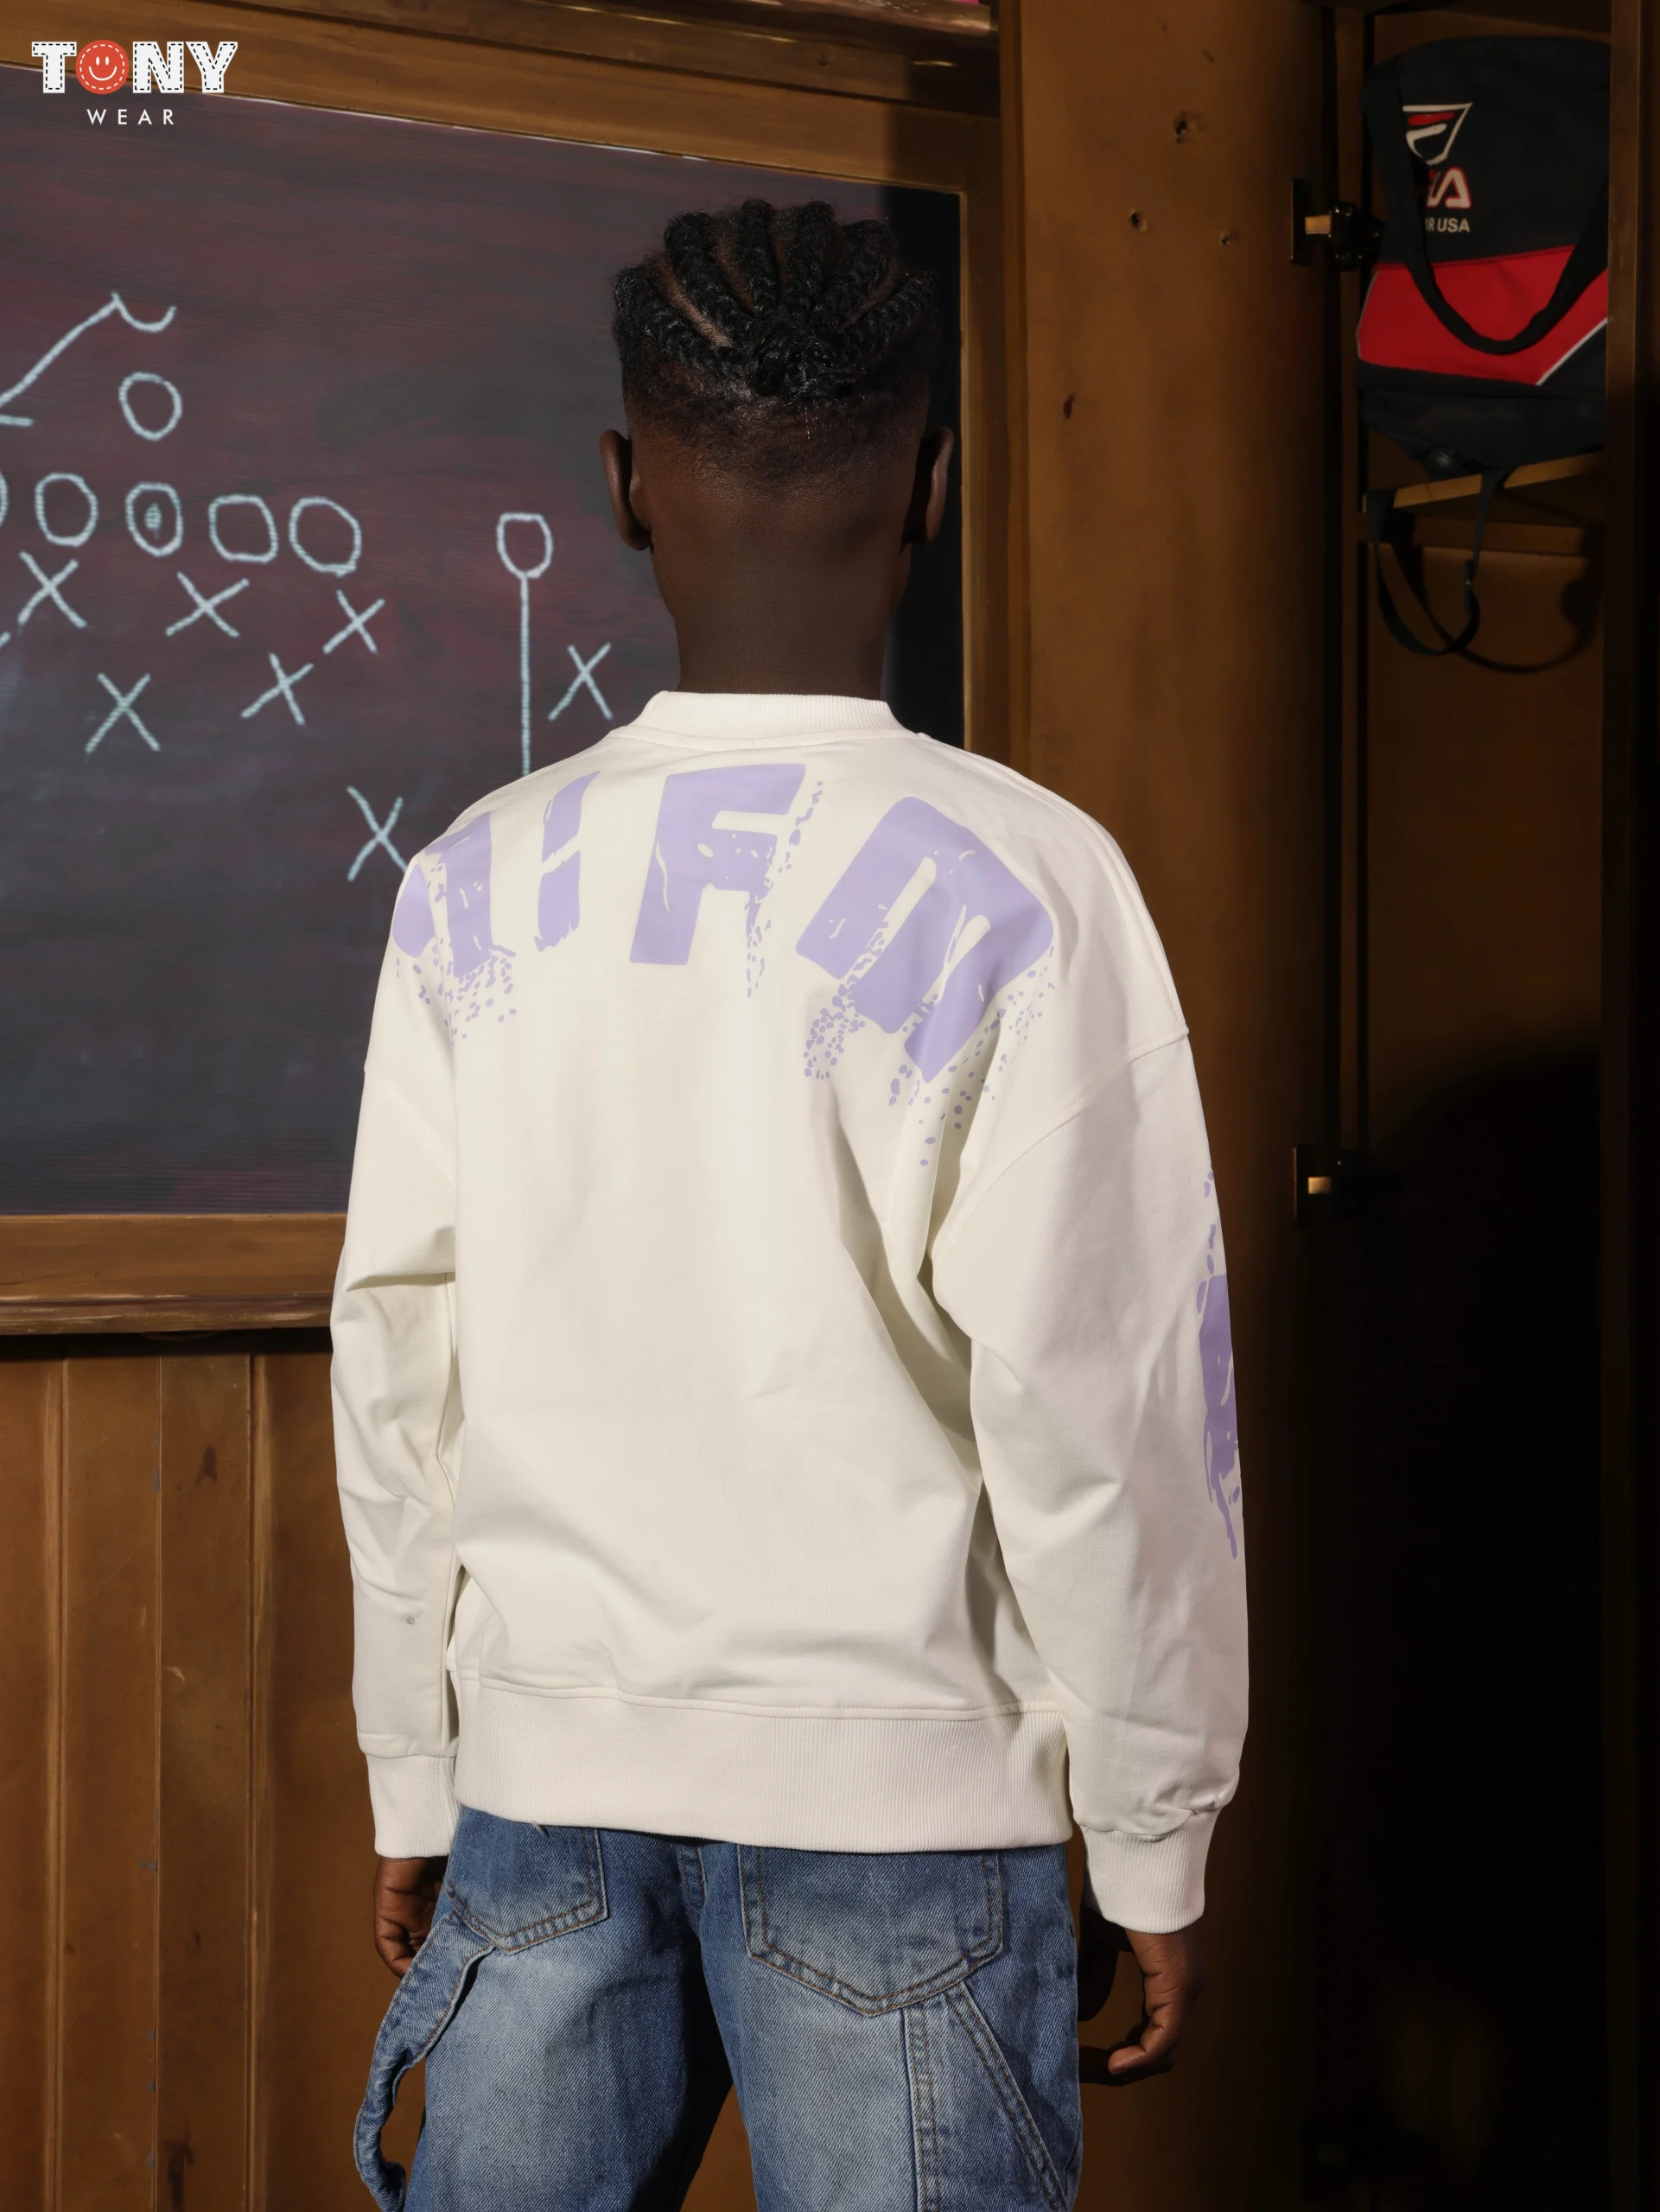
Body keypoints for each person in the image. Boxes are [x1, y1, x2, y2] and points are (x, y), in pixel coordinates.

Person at [334, 198, 1247, 2212]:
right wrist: (1151, 1827)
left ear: (621, 487)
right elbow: (1105, 1402)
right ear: (933, 487)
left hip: (542, 1794)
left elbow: (398, 1356)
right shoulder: (1036, 880)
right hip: (908, 1804)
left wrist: (419, 1755)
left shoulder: (470, 875)